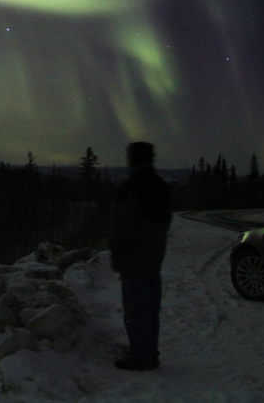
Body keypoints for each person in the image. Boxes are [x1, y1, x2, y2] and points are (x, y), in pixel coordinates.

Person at [108, 141, 172, 371]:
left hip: (132, 258)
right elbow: (166, 221)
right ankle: (149, 352)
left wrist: (116, 248)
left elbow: (122, 226)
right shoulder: (161, 185)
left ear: (133, 159)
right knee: (150, 309)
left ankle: (140, 356)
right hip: (154, 258)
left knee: (135, 311)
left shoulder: (130, 187)